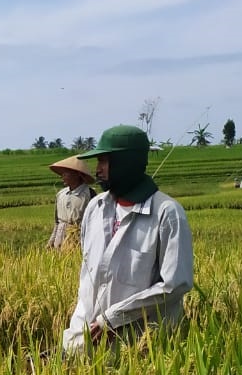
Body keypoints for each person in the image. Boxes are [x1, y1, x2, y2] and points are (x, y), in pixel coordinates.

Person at [62, 124, 193, 355]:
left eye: (103, 162)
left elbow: (175, 284)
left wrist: (113, 319)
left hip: (141, 348)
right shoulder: (95, 208)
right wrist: (76, 334)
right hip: (86, 342)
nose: (97, 170)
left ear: (126, 163)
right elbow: (88, 277)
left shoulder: (166, 213)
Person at [46, 155, 96, 249]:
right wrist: (51, 241)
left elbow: (94, 223)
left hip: (79, 241)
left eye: (65, 173)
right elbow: (57, 222)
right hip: (59, 241)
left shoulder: (89, 194)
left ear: (77, 174)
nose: (62, 177)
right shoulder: (61, 194)